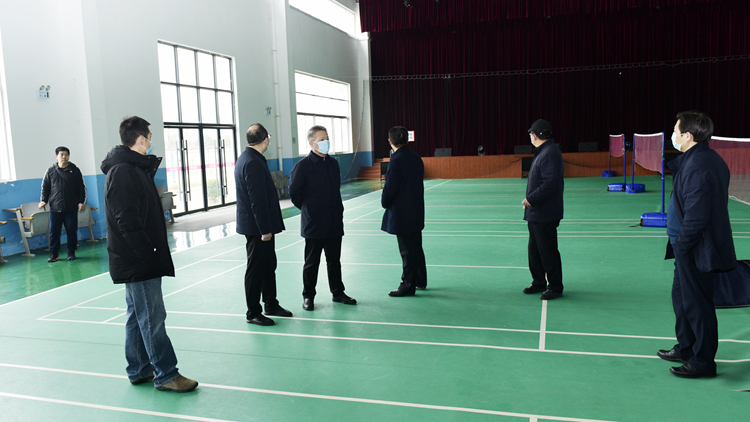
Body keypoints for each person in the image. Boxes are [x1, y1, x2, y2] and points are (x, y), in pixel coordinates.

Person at [100, 116, 197, 392]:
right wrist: (148, 252)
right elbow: (127, 221)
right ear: (141, 139)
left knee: (136, 314)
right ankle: (166, 374)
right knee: (152, 317)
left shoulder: (133, 168)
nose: (151, 142)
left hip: (138, 257)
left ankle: (139, 368)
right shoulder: (123, 172)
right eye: (150, 137)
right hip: (139, 259)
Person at [657, 111, 735, 379]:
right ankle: (686, 348)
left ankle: (703, 363)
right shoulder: (701, 159)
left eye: (675, 131)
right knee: (682, 301)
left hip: (695, 248)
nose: (673, 135)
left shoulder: (699, 165)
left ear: (687, 136)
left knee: (698, 305)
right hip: (686, 246)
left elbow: (697, 215)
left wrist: (682, 245)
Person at [289, 126, 357, 311]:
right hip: (314, 223)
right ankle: (308, 296)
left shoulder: (333, 164)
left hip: (334, 220)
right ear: (312, 143)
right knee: (312, 262)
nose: (326, 142)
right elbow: (294, 194)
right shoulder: (302, 166)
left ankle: (338, 292)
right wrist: (309, 208)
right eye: (322, 139)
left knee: (334, 261)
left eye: (327, 138)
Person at [235, 123, 292, 325]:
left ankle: (270, 304)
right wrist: (265, 229)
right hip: (257, 227)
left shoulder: (249, 158)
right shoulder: (252, 162)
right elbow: (256, 199)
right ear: (266, 140)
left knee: (268, 265)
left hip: (259, 225)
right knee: (256, 269)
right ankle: (253, 312)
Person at [521, 119, 564, 300]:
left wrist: (531, 199)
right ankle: (539, 282)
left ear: (536, 135)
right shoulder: (543, 152)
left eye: (531, 134)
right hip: (536, 214)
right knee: (535, 251)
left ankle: (555, 286)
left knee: (548, 251)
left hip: (544, 213)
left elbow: (551, 183)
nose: (530, 137)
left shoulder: (549, 153)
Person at [381, 126, 426, 296]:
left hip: (402, 213)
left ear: (390, 141)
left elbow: (390, 187)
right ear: (407, 139)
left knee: (406, 251)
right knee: (416, 248)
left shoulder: (396, 160)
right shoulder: (416, 158)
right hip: (416, 210)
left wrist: (384, 202)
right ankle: (420, 279)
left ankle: (408, 285)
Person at [39, 146, 86, 262]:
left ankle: (71, 252)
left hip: (71, 207)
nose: (64, 157)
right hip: (55, 208)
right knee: (53, 232)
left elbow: (81, 187)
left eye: (66, 154)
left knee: (71, 231)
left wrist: (81, 201)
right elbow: (45, 187)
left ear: (69, 156)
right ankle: (54, 254)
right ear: (56, 156)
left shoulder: (75, 170)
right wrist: (43, 200)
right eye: (61, 154)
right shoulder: (50, 171)